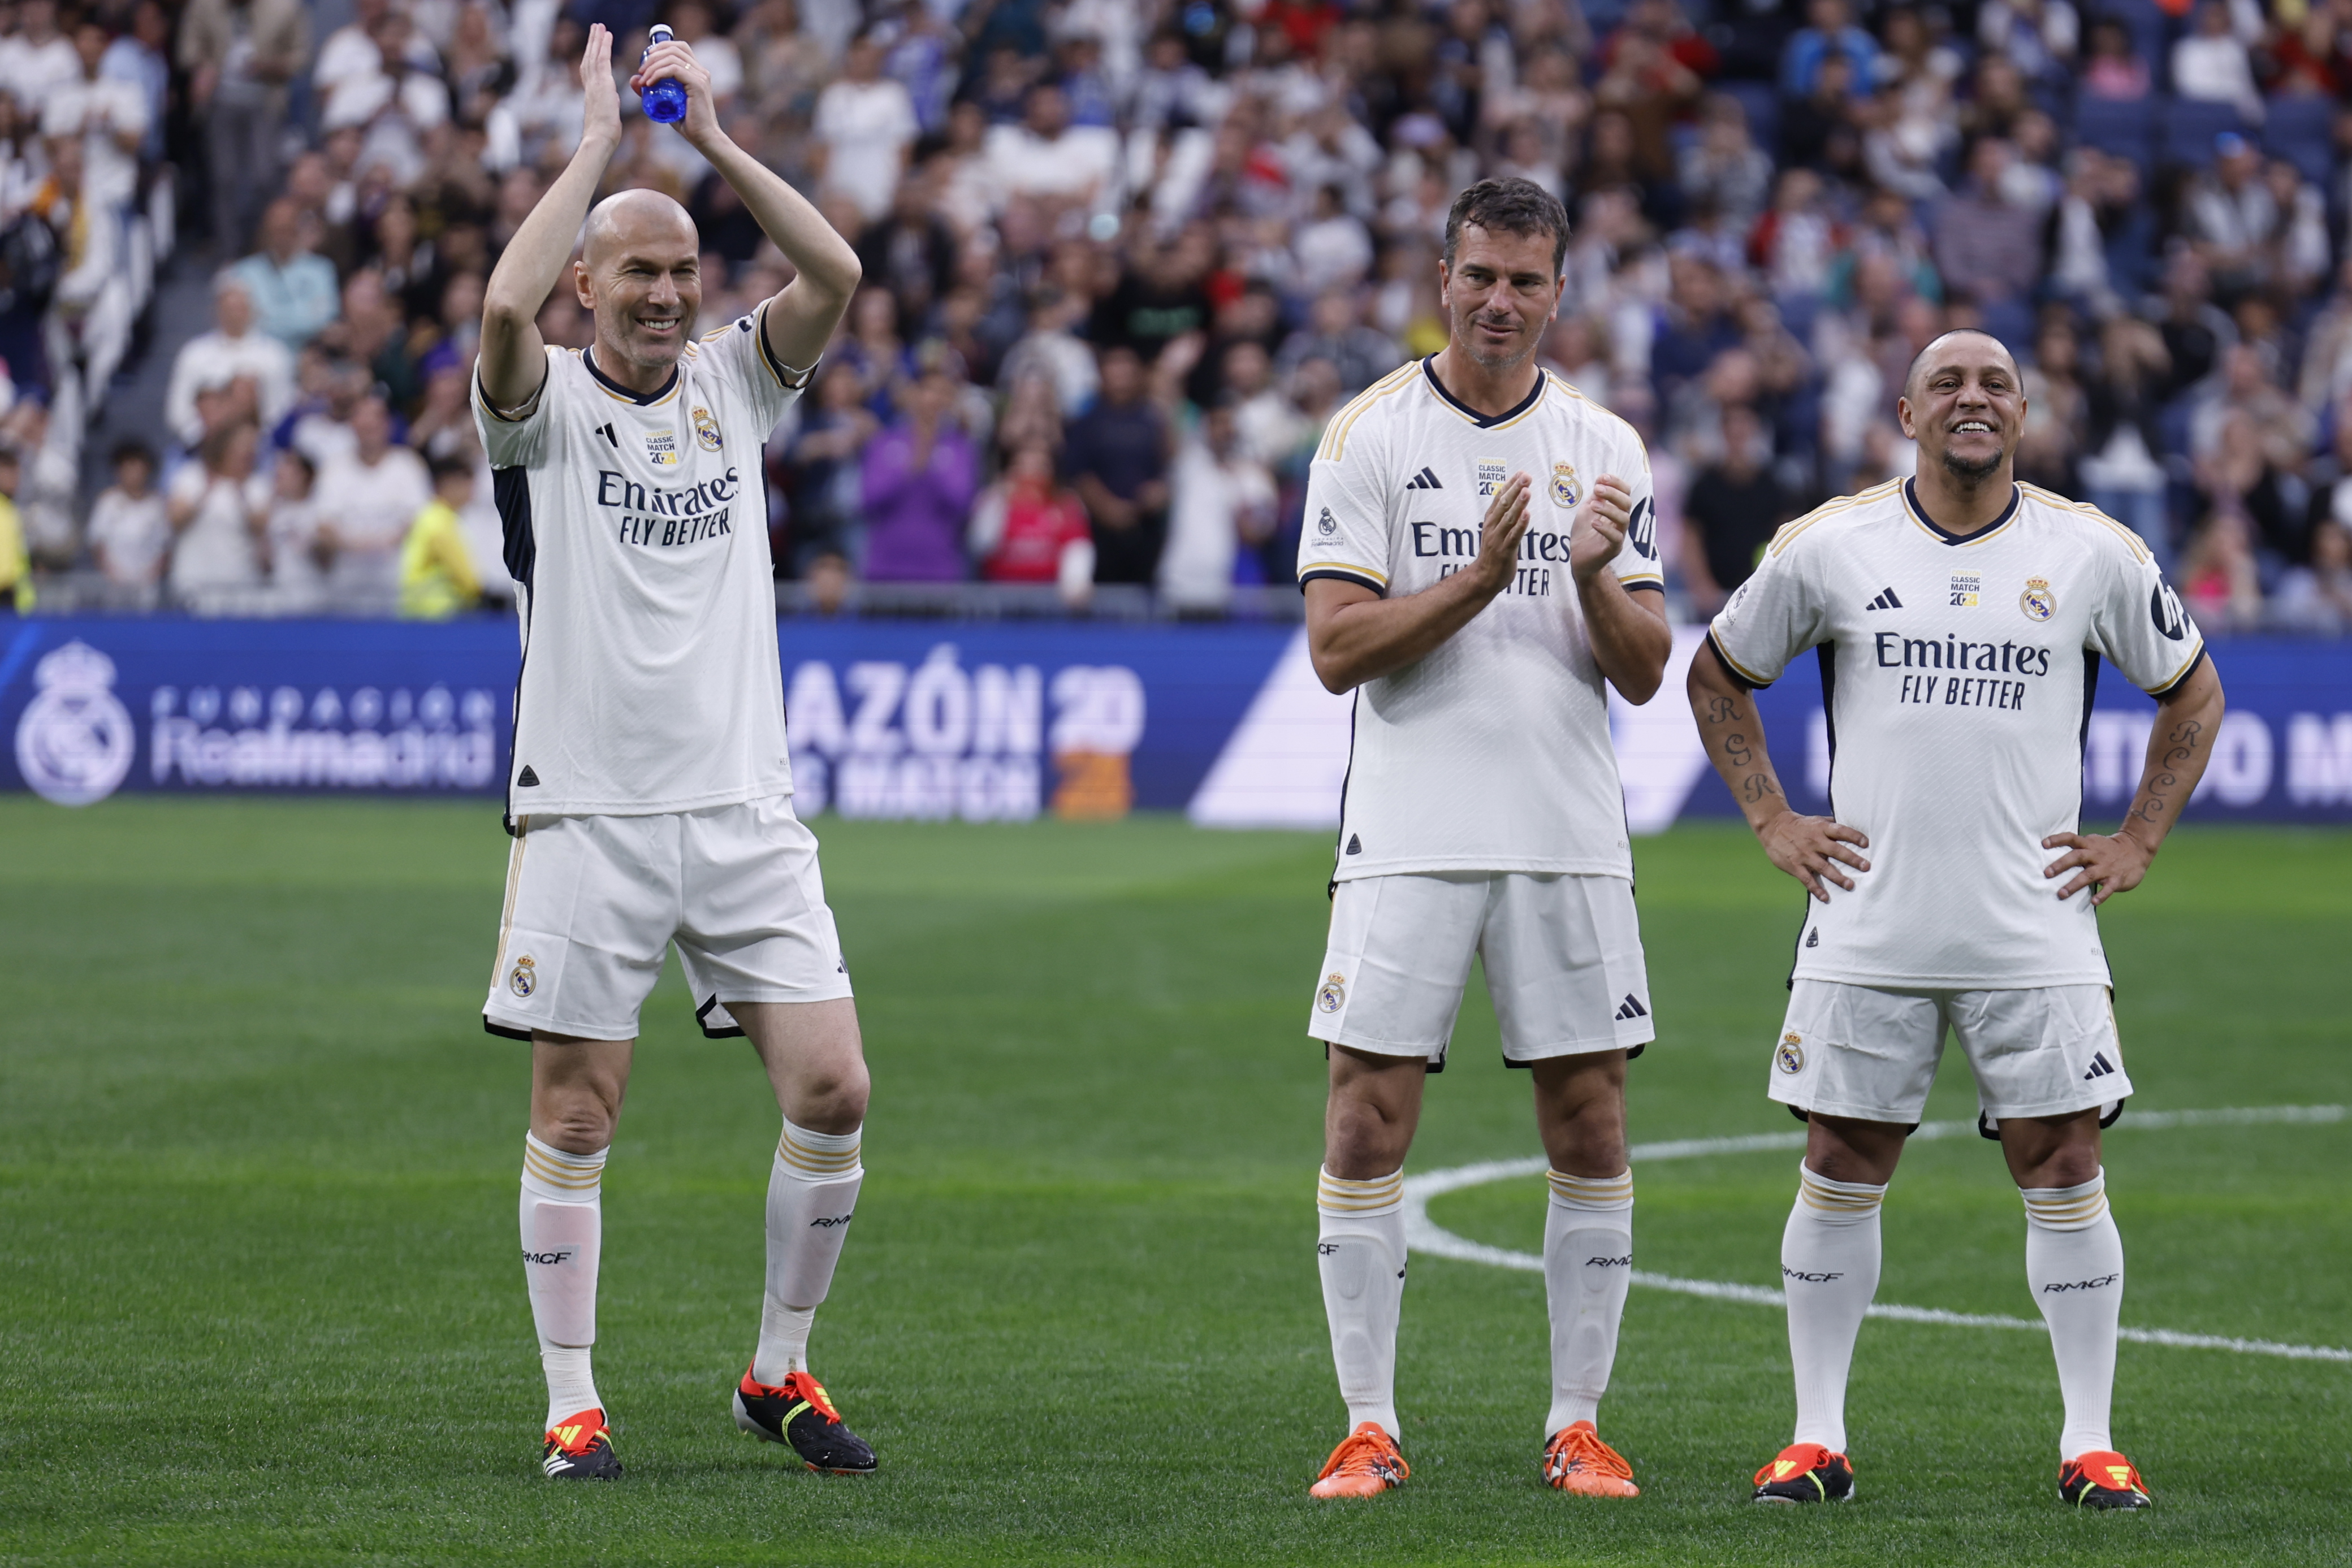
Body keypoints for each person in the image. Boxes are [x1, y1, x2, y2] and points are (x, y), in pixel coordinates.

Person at [1685, 329, 2226, 1511]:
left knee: (2065, 1163)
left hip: (2032, 926)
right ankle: (1814, 1437)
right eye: (1947, 383)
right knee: (1837, 1160)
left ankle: (2090, 1443)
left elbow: (2192, 690)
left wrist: (2136, 837)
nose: (1970, 399)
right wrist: (1774, 817)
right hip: (1867, 918)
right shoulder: (1829, 545)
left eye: (1992, 384)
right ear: (1906, 410)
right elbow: (1718, 672)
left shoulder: (2089, 552)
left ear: (2024, 411)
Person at [472, 24, 867, 1484]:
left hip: (744, 805)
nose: (665, 293)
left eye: (683, 272)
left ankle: (780, 1365)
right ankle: (574, 1397)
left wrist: (706, 138)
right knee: (578, 1107)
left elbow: (835, 277)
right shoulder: (544, 408)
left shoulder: (734, 384)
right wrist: (595, 148)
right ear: (590, 279)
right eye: (638, 271)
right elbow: (504, 309)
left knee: (835, 1088)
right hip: (587, 809)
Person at [1291, 177, 1671, 1501]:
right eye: (1479, 276)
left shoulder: (1607, 445)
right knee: (1366, 1117)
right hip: (1408, 832)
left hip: (1564, 835)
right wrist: (1474, 575)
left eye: (1526, 280)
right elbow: (1337, 650)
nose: (1500, 301)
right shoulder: (1368, 437)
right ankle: (1368, 1422)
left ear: (1561, 291)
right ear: (1439, 278)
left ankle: (1577, 1423)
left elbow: (1641, 668)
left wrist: (1578, 571)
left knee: (1589, 1118)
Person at [398, 453, 482, 617]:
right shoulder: (440, 522)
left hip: (418, 612)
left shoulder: (430, 515)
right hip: (434, 615)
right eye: (467, 483)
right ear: (448, 484)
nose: (472, 490)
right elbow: (468, 581)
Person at [87, 439, 169, 595]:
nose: (133, 474)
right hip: (114, 586)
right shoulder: (107, 503)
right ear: (118, 471)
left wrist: (151, 576)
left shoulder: (158, 506)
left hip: (149, 587)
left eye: (137, 467)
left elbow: (165, 549)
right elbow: (97, 545)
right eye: (127, 467)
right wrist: (113, 575)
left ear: (147, 469)